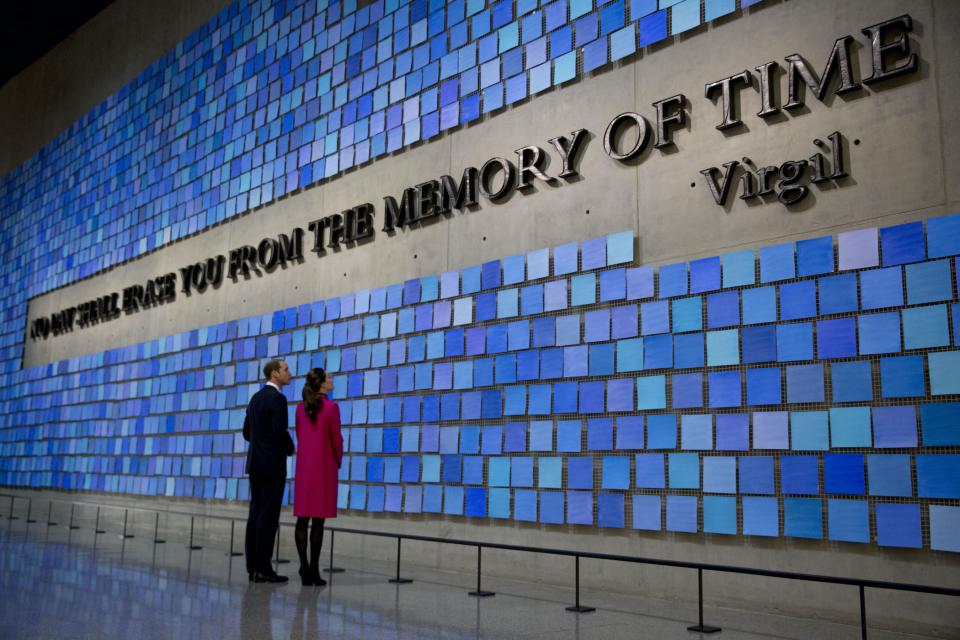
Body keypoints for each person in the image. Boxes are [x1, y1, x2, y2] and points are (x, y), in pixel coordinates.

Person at [243, 359, 295, 583]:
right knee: (268, 516)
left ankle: (253, 568)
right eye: (285, 370)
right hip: (272, 465)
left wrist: (260, 441)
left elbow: (247, 432)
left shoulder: (255, 398)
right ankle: (264, 568)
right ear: (274, 374)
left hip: (255, 464)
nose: (289, 373)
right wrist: (290, 447)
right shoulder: (278, 399)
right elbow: (279, 431)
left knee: (255, 514)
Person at [293, 368, 342, 586]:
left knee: (302, 518)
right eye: (329, 378)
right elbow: (336, 440)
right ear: (322, 384)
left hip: (304, 468)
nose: (332, 380)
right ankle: (314, 568)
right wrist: (337, 460)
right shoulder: (332, 408)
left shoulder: (300, 408)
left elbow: (300, 435)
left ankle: (303, 566)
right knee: (318, 521)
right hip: (323, 468)